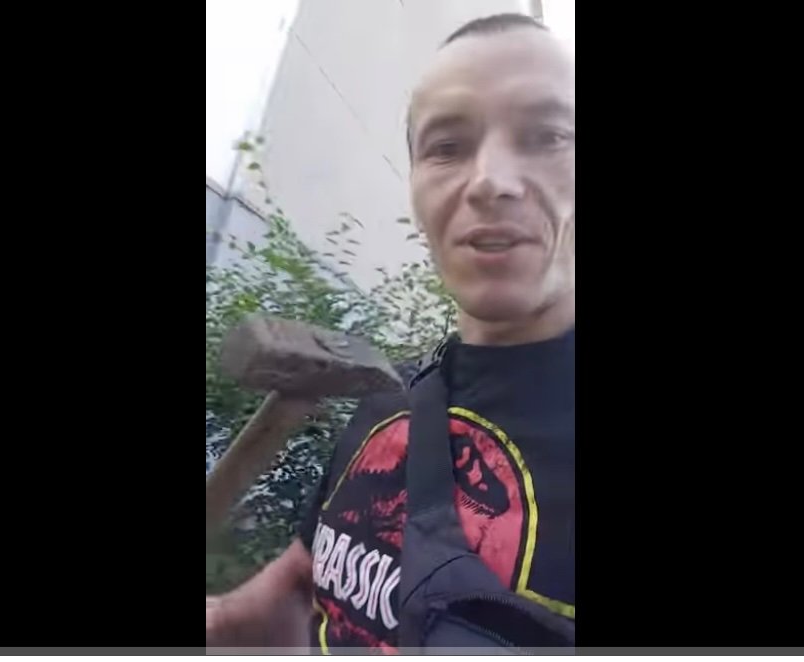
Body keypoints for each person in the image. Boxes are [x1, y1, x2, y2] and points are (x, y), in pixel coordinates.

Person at [206, 12, 575, 653]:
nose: (490, 180)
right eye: (447, 147)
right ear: (415, 188)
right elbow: (296, 595)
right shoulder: (392, 397)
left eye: (547, 136)